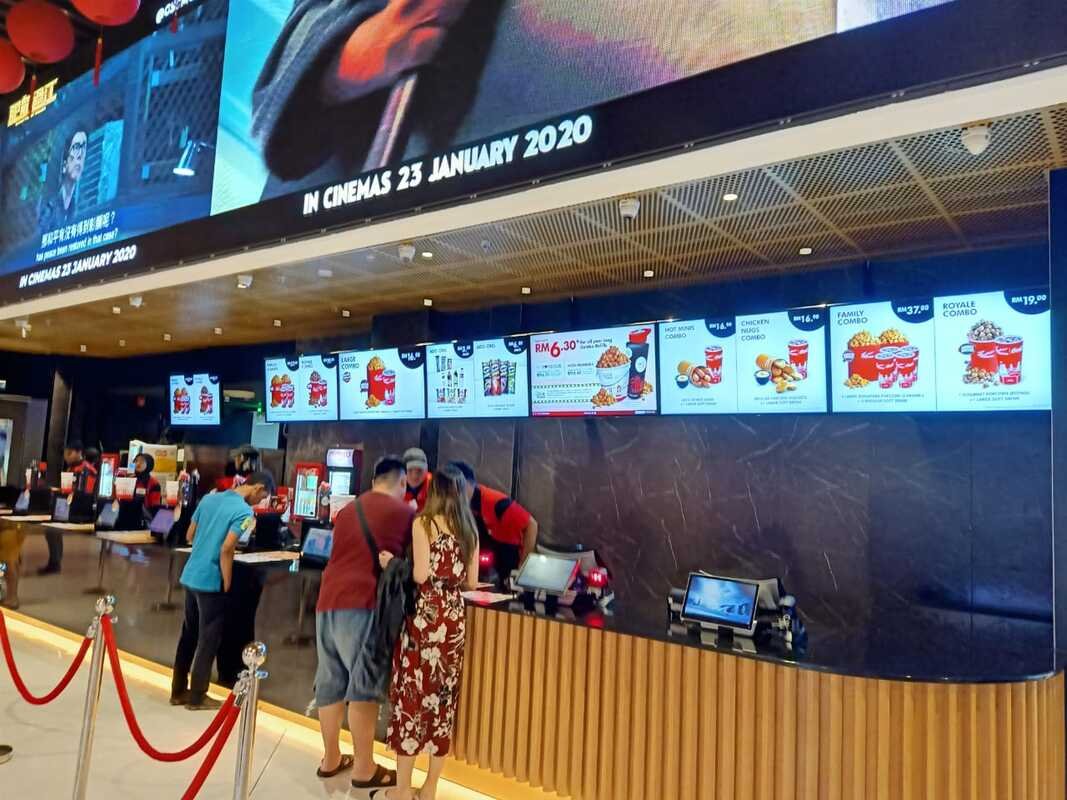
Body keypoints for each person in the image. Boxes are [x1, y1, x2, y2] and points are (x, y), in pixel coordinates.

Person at [374, 464, 478, 800]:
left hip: (426, 615)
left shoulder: (424, 523)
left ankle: (402, 790)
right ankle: (429, 787)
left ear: (434, 491)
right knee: (442, 701)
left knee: (412, 698)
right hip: (453, 617)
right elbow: (472, 582)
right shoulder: (469, 530)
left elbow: (419, 575)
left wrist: (392, 563)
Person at [314, 455, 413, 789]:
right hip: (364, 602)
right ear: (402, 482)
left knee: (330, 681)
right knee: (363, 687)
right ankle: (364, 768)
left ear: (373, 482)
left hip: (327, 601)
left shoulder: (346, 511)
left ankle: (330, 758)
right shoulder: (405, 514)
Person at [170, 471, 274, 710]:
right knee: (209, 638)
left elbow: (190, 535)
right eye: (262, 497)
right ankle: (197, 696)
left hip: (191, 573)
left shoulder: (209, 498)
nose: (258, 503)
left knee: (189, 634)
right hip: (211, 580)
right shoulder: (244, 512)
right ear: (257, 488)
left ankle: (178, 691)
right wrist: (227, 581)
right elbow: (227, 548)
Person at [447, 461, 538, 582]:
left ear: (469, 483)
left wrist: (523, 568)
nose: (454, 492)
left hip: (509, 556)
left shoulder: (496, 502)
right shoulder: (455, 504)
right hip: (484, 557)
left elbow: (531, 525)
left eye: (458, 486)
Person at [38, 441, 96, 575]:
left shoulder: (86, 469)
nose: (66, 457)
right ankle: (55, 562)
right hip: (68, 506)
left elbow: (86, 494)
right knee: (52, 530)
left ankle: (55, 563)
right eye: (65, 453)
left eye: (69, 453)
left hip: (80, 510)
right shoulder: (72, 468)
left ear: (79, 453)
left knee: (52, 530)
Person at [37, 127, 87, 234]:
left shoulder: (83, 205)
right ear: (64, 165)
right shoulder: (48, 205)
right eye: (76, 147)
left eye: (84, 148)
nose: (80, 155)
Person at [402, 447, 431, 512]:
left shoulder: (435, 486)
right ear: (403, 471)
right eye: (410, 470)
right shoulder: (393, 486)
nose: (414, 476)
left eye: (419, 470)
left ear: (426, 470)